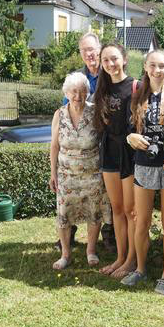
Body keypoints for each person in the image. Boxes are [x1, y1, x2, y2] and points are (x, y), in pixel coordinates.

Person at [122, 50, 164, 295]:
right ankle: (140, 269)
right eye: (153, 65)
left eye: (162, 65)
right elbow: (129, 130)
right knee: (141, 221)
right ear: (146, 67)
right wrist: (131, 137)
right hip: (143, 166)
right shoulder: (137, 95)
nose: (157, 69)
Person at [58, 32, 116, 252]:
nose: (89, 54)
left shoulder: (109, 73)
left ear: (99, 49)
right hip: (80, 145)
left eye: (92, 49)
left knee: (104, 195)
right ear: (80, 54)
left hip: (106, 143)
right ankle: (68, 236)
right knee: (72, 192)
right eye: (84, 50)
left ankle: (109, 237)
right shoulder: (77, 78)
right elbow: (66, 108)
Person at [49, 72, 111, 270]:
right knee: (64, 214)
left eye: (82, 91)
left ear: (87, 92)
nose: (78, 95)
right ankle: (65, 254)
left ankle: (90, 251)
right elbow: (54, 146)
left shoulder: (96, 111)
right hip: (66, 174)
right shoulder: (59, 114)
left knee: (94, 212)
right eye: (74, 91)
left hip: (92, 173)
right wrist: (53, 173)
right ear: (66, 93)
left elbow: (109, 138)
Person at [92, 43, 137, 279]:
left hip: (129, 155)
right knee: (117, 209)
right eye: (106, 60)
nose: (110, 64)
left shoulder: (136, 86)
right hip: (109, 151)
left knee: (131, 211)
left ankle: (132, 260)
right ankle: (121, 257)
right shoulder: (102, 88)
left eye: (114, 59)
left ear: (124, 59)